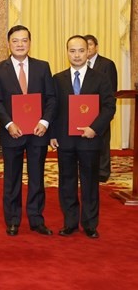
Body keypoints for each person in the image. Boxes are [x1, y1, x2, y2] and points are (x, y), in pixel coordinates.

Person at [0, 25, 56, 237]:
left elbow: (51, 98)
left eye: (24, 40)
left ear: (30, 42)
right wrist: (9, 124)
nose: (20, 44)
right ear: (8, 44)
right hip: (12, 133)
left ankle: (36, 219)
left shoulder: (42, 67)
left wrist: (45, 122)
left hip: (38, 132)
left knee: (37, 176)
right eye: (15, 41)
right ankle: (13, 220)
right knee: (12, 177)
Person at [50, 35, 116, 238]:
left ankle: (89, 224)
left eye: (81, 50)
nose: (76, 55)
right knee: (67, 182)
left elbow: (109, 107)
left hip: (90, 139)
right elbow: (52, 108)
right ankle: (69, 222)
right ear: (67, 52)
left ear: (88, 52)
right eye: (72, 50)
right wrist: (52, 134)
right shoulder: (58, 79)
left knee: (89, 183)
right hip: (65, 140)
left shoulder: (100, 78)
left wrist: (94, 128)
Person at [84, 34, 118, 183]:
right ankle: (87, 170)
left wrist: (107, 110)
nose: (89, 47)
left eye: (91, 44)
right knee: (85, 142)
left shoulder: (107, 64)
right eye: (86, 45)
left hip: (101, 110)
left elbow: (111, 89)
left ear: (96, 47)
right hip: (84, 110)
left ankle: (103, 172)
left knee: (103, 141)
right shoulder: (80, 63)